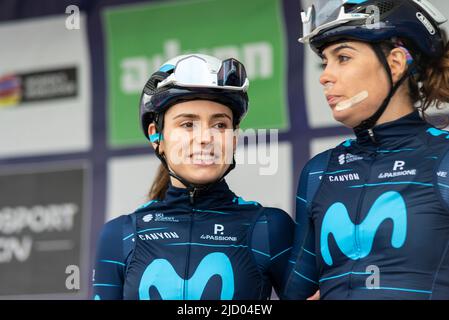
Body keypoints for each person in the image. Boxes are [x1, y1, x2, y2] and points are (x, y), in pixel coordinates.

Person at [92, 54, 295, 300]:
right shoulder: (119, 235)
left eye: (219, 125)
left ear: (233, 138)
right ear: (157, 137)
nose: (205, 138)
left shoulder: (270, 228)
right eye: (188, 124)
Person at [284, 0, 449, 300]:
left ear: (396, 63)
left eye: (343, 57)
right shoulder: (319, 171)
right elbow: (295, 291)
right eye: (325, 62)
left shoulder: (444, 158)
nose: (325, 76)